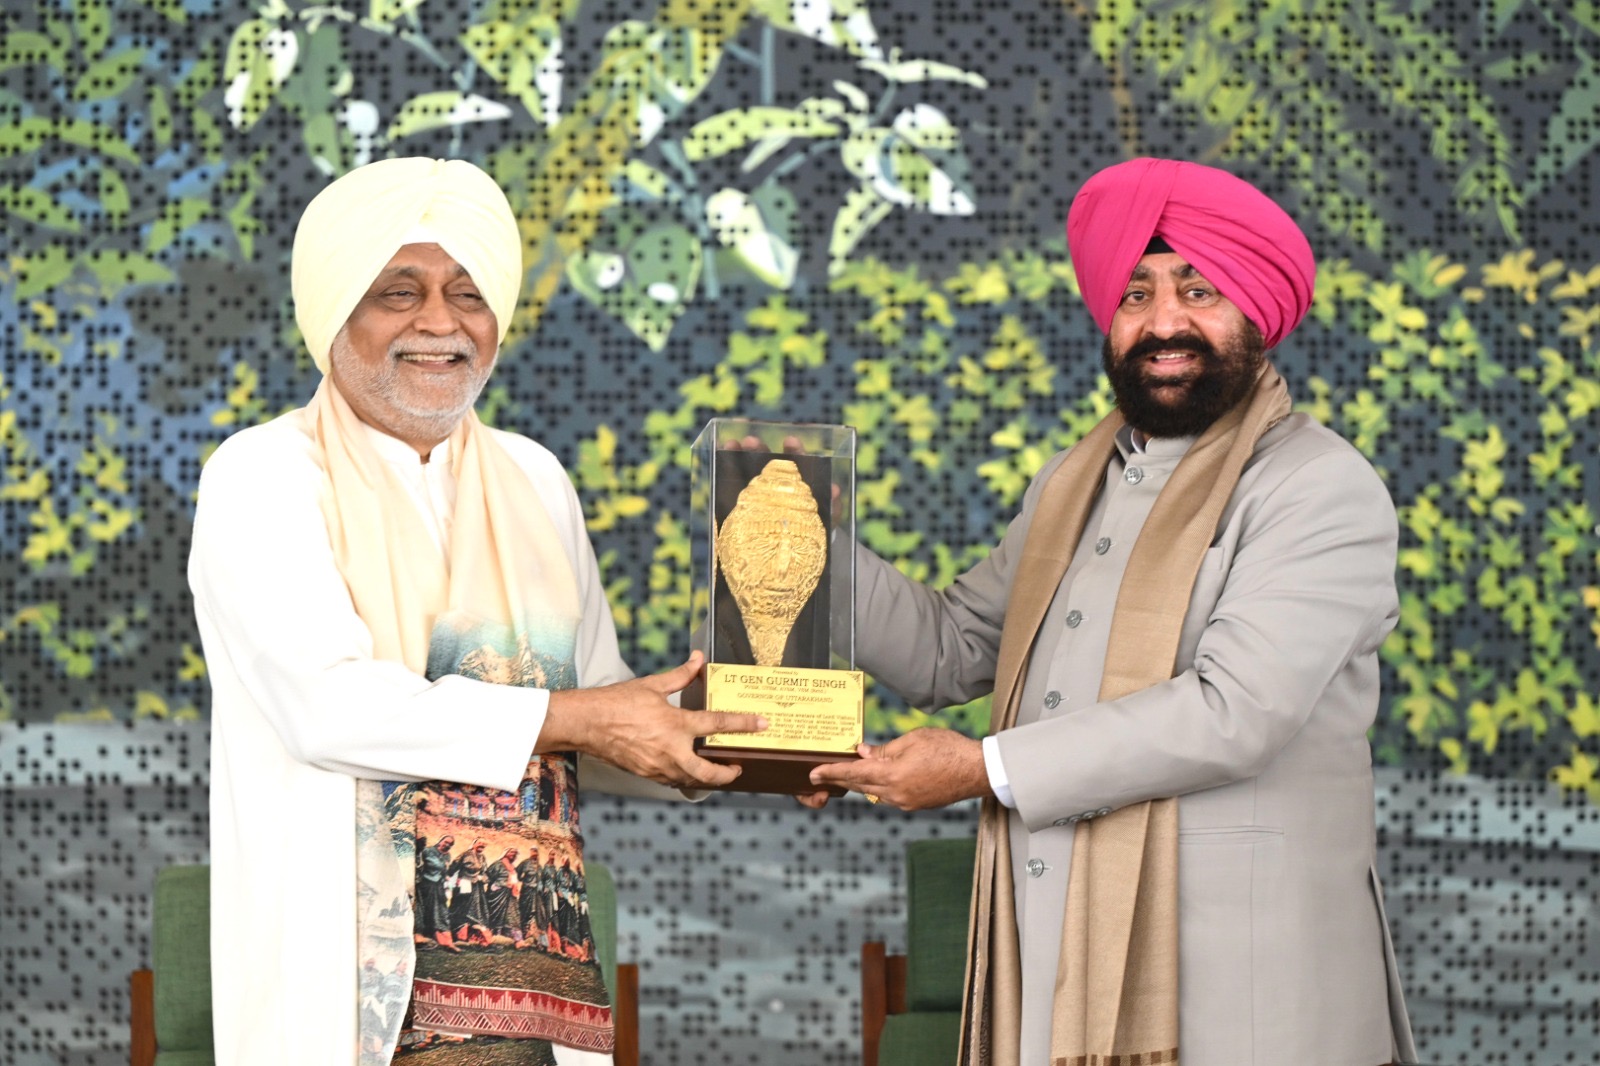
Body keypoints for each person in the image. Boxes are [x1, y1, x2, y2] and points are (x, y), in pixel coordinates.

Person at [810, 157, 1418, 1066]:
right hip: (1057, 961)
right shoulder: (1077, 486)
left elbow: (1232, 713)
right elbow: (954, 648)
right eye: (1136, 294)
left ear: (1257, 312)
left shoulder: (1318, 486)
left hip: (1249, 997)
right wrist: (802, 544)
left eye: (1199, 290)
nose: (1164, 322)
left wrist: (983, 768)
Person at [190, 156, 766, 1066]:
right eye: (399, 292)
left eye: (468, 293)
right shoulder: (262, 476)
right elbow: (327, 708)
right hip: (349, 992)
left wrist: (733, 751)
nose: (440, 322)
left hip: (527, 1001)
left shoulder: (535, 479)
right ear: (334, 309)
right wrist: (591, 718)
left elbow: (594, 712)